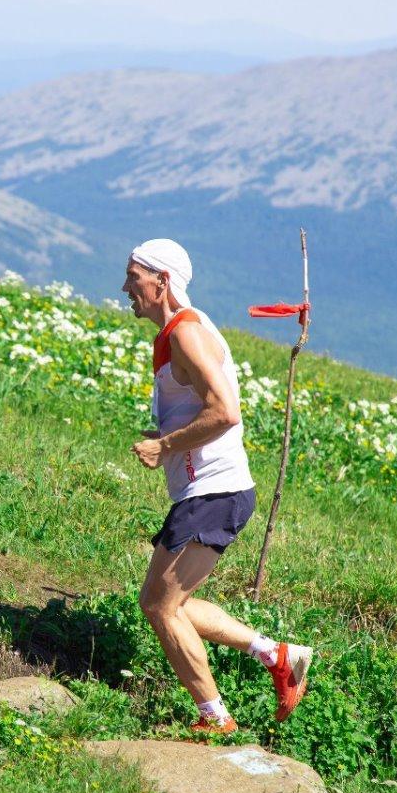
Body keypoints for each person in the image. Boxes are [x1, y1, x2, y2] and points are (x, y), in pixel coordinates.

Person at [123, 238, 313, 734]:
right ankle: (277, 656)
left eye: (133, 277)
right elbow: (198, 407)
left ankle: (216, 718)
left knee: (158, 604)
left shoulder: (187, 333)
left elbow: (225, 412)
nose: (125, 287)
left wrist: (165, 446)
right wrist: (164, 436)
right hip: (217, 491)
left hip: (213, 490)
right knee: (175, 602)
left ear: (162, 281)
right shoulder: (180, 330)